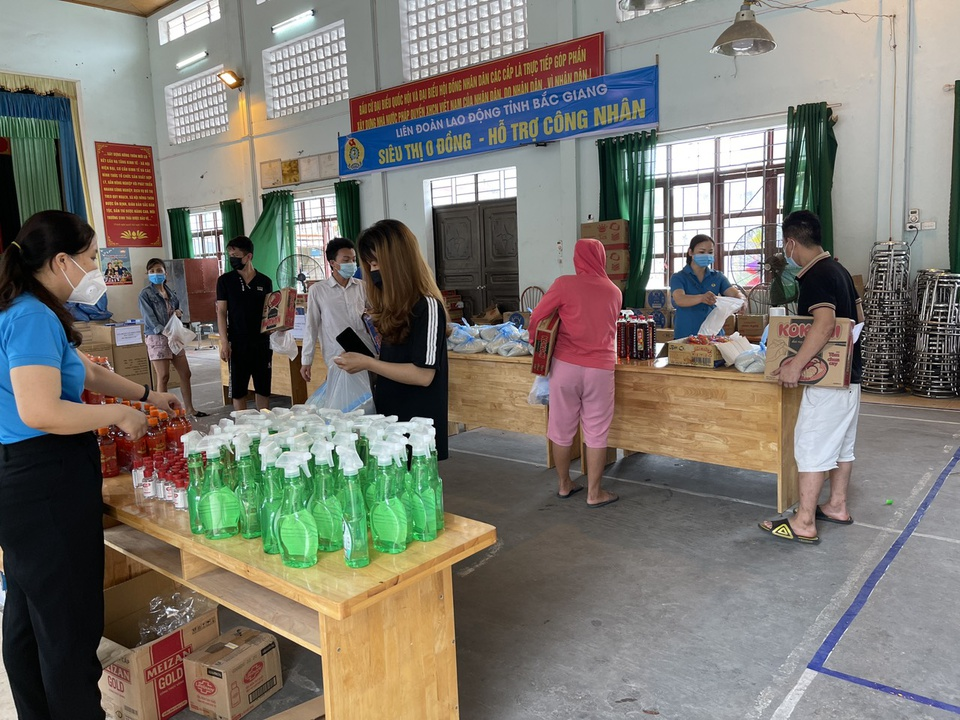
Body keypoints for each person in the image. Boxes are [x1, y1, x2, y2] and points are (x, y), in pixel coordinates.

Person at [0, 211, 180, 719]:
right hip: (44, 482)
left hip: (21, 479)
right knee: (68, 627)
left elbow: (83, 376)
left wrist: (148, 396)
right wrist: (120, 416)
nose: (96, 266)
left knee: (29, 618)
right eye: (90, 257)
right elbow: (41, 410)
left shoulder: (23, 307)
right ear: (61, 261)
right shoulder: (34, 316)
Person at [760, 210, 863, 544]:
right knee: (842, 447)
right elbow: (858, 316)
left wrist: (795, 364)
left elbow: (825, 323)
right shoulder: (840, 270)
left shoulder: (816, 275)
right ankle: (836, 505)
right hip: (850, 377)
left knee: (812, 446)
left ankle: (804, 522)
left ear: (791, 243)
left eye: (785, 248)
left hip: (827, 381)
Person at [334, 219, 451, 459]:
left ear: (397, 263)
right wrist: (368, 361)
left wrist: (369, 363)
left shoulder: (427, 306)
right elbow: (399, 360)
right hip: (391, 418)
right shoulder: (394, 306)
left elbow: (423, 375)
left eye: (377, 263)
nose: (373, 270)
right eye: (370, 264)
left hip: (416, 427)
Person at [528, 238, 622, 508]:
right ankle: (595, 493)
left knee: (560, 428)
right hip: (600, 370)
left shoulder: (564, 284)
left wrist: (536, 341)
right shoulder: (614, 291)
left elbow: (537, 318)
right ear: (601, 258)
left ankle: (564, 484)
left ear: (576, 259)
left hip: (565, 367)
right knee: (596, 431)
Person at [138, 258, 207, 417]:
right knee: (163, 376)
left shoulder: (171, 292)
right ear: (148, 274)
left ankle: (189, 409)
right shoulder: (145, 294)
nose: (156, 274)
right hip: (158, 337)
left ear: (165, 272)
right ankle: (164, 413)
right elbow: (149, 318)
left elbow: (176, 310)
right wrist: (165, 331)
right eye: (152, 271)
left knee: (185, 373)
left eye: (159, 270)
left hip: (174, 335)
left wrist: (178, 313)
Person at [300, 237, 371, 384]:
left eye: (353, 259)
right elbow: (311, 327)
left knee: (368, 398)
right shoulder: (318, 290)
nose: (351, 264)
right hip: (337, 354)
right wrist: (306, 360)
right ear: (333, 263)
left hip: (365, 352)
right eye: (346, 260)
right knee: (343, 399)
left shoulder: (362, 287)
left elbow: (373, 317)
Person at [216, 236, 273, 411]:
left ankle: (265, 423)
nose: (233, 258)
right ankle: (242, 426)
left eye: (236, 255)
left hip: (261, 342)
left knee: (263, 387)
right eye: (230, 255)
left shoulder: (265, 281)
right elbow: (221, 312)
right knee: (239, 390)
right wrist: (224, 342)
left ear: (248, 256)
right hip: (238, 343)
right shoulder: (225, 281)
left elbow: (270, 312)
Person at [669, 234, 747, 339]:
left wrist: (742, 300)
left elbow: (734, 293)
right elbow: (680, 299)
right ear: (691, 252)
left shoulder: (717, 276)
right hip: (686, 335)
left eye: (710, 252)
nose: (706, 255)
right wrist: (702, 298)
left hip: (712, 336)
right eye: (701, 252)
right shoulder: (679, 277)